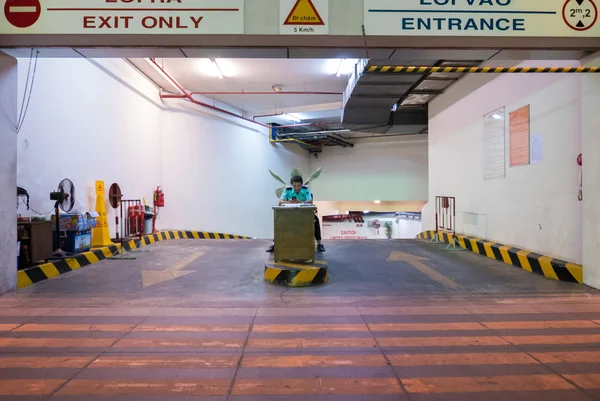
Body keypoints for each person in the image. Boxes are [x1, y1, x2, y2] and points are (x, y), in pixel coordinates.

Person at [267, 175, 325, 253]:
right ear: (292, 185)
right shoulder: (287, 189)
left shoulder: (305, 189)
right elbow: (280, 202)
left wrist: (301, 202)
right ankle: (275, 244)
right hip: (290, 214)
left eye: (299, 185)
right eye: (294, 185)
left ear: (302, 184)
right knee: (279, 221)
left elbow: (310, 201)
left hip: (304, 214)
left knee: (315, 220)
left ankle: (319, 244)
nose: (297, 188)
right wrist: (289, 202)